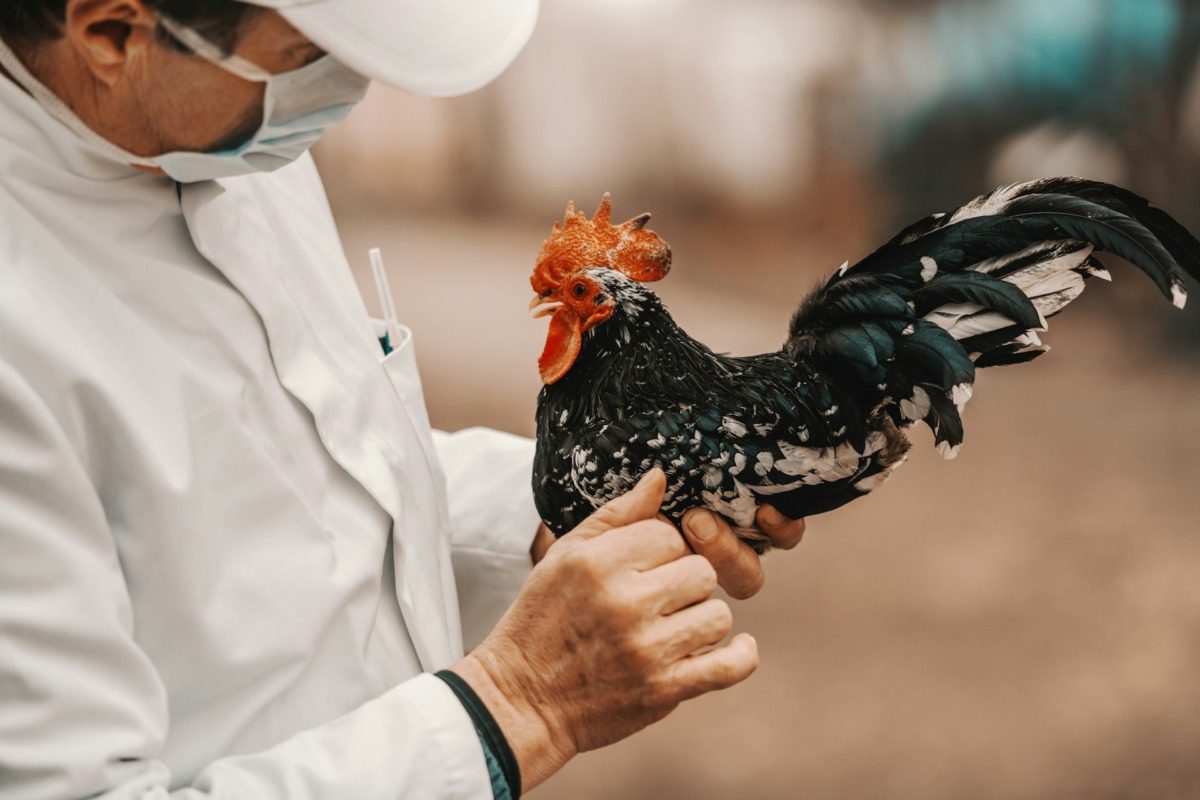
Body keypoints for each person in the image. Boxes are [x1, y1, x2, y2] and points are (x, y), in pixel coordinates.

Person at [0, 1, 807, 797]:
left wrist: (565, 505)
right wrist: (518, 707)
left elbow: (312, 480)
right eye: (305, 59)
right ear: (112, 32)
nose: (349, 90)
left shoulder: (229, 150)